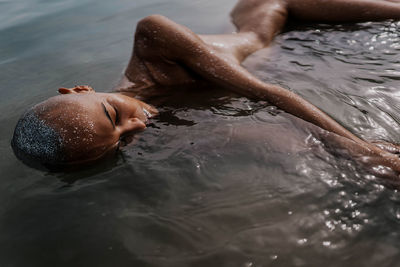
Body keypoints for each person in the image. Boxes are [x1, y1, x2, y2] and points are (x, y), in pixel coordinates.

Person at [11, 0, 400, 174]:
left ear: (79, 90)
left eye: (115, 115)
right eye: (121, 141)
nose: (137, 128)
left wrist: (362, 151)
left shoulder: (153, 40)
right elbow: (266, 135)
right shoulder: (155, 125)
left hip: (278, 12)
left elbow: (271, 94)